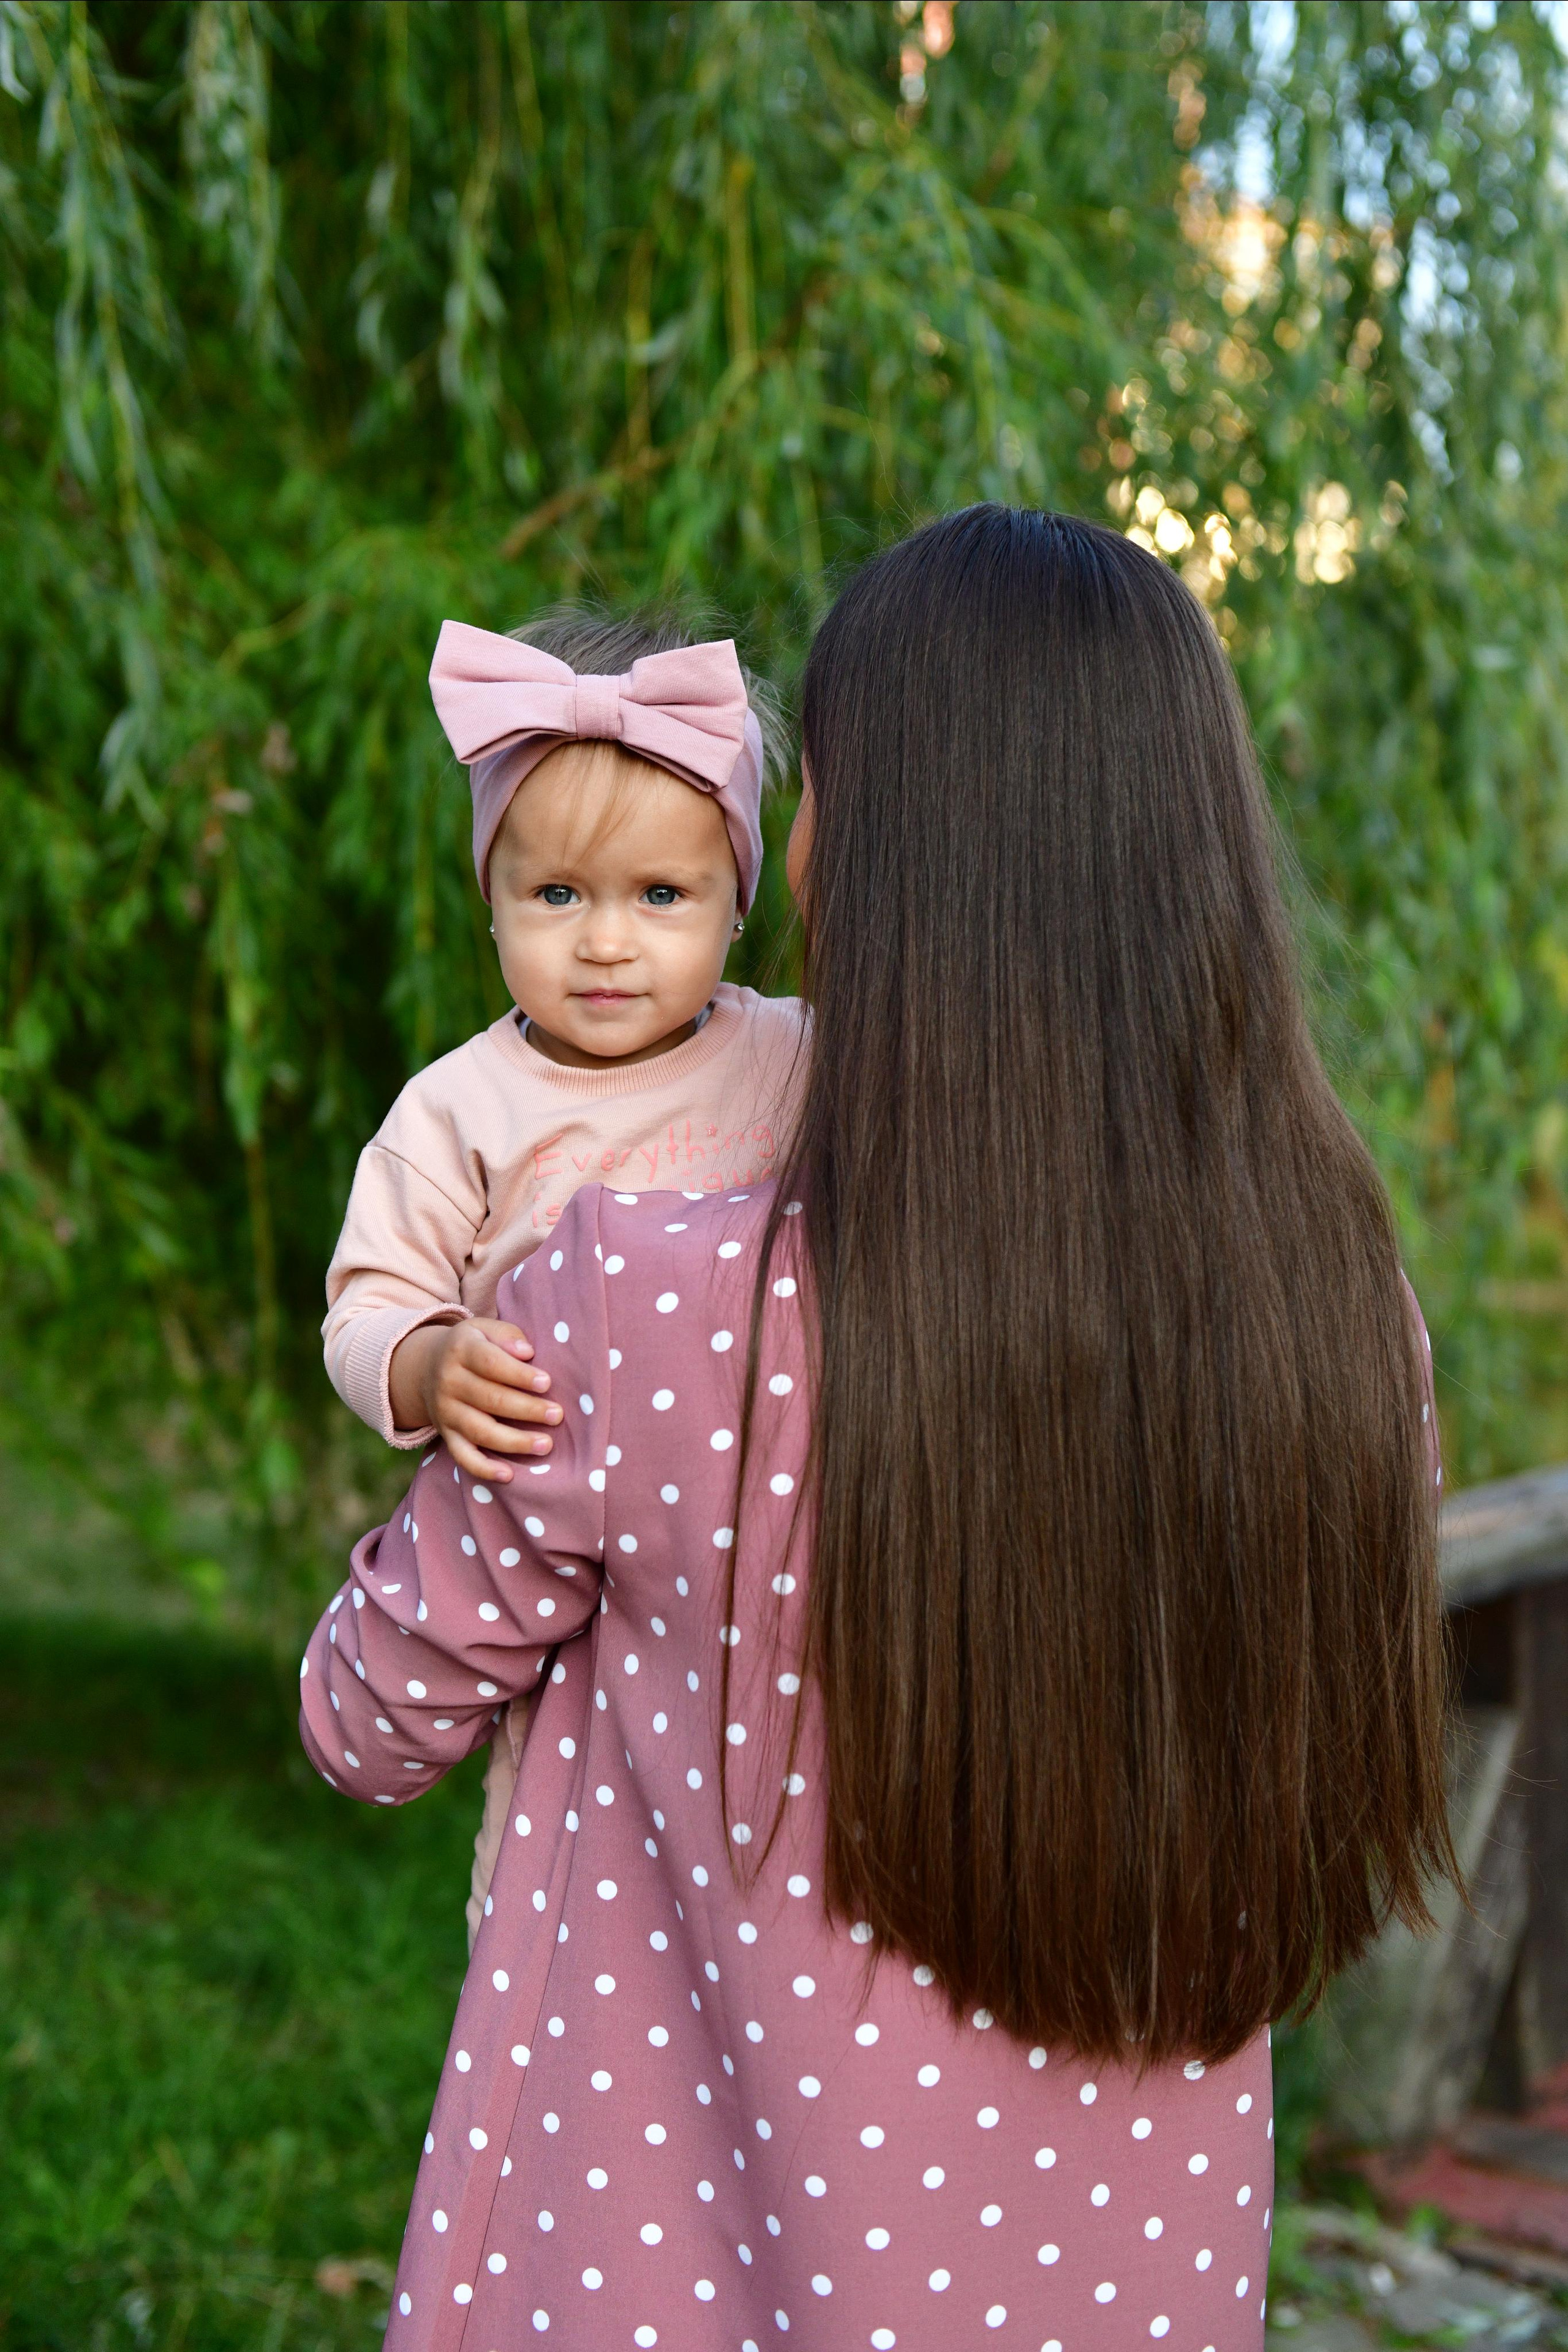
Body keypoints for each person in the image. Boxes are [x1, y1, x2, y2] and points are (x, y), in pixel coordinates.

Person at [300, 506, 1454, 2350]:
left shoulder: (647, 1301)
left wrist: (460, 1344)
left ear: (887, 850)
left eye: (816, 787)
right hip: (1133, 2283)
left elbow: (366, 1718)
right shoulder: (1343, 1314)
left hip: (680, 2268)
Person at [321, 608, 803, 1943]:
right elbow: (364, 1303)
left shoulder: (795, 1062)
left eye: (661, 897)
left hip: (773, 1544)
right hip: (555, 1558)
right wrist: (426, 1362)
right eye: (557, 897)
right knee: (562, 1848)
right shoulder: (459, 1110)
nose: (605, 944)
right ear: (490, 900)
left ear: (735, 901)